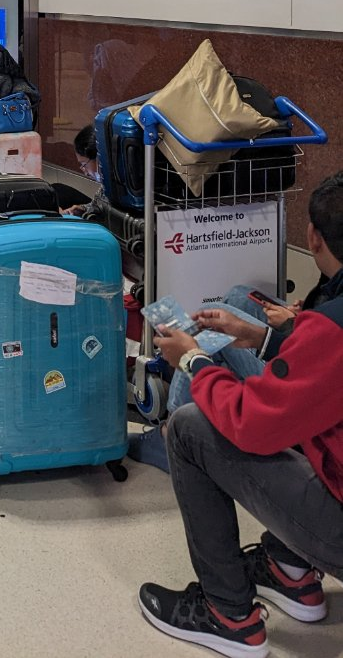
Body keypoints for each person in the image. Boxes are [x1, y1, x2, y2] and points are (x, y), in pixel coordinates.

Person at [138, 170, 343, 657]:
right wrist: (267, 338)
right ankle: (286, 568)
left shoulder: (334, 329)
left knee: (190, 428)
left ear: (312, 237)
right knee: (235, 314)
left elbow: (255, 423)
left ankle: (229, 615)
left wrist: (193, 359)